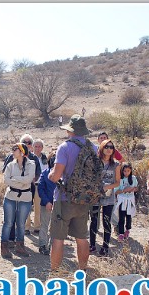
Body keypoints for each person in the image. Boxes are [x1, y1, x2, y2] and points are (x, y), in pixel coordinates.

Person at [48, 114, 97, 273]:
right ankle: (82, 270)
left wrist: (50, 174)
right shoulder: (93, 147)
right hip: (84, 199)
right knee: (82, 238)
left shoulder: (65, 147)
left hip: (64, 199)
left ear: (71, 130)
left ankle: (55, 274)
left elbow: (56, 176)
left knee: (58, 238)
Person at [0, 143, 35, 259]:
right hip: (10, 196)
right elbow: (6, 180)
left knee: (21, 224)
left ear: (21, 152)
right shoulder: (10, 165)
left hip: (25, 197)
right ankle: (4, 247)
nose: (13, 151)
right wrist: (21, 181)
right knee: (8, 223)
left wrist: (15, 179)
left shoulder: (31, 164)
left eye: (15, 149)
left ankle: (20, 246)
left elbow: (29, 179)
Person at [90, 139, 120, 256]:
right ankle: (92, 245)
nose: (109, 149)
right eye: (106, 147)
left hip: (109, 196)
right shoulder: (95, 163)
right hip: (95, 196)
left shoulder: (116, 165)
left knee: (106, 221)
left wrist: (108, 186)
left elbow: (118, 182)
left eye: (111, 147)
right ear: (102, 148)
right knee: (94, 220)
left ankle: (105, 246)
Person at [37, 151, 56, 256]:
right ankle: (43, 245)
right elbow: (40, 189)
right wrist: (47, 202)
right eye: (53, 159)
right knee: (44, 225)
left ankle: (53, 246)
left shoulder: (64, 175)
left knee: (55, 227)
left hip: (59, 205)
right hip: (46, 204)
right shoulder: (44, 173)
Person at [114, 162, 138, 242]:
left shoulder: (133, 178)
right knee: (121, 217)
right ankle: (121, 233)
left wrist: (133, 189)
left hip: (130, 200)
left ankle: (127, 230)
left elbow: (136, 188)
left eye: (128, 171)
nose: (126, 173)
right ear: (122, 171)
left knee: (128, 216)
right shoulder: (120, 179)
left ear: (131, 170)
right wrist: (124, 190)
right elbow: (116, 191)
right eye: (124, 171)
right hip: (122, 200)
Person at [31, 138, 48, 234]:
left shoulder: (44, 158)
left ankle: (37, 226)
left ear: (42, 147)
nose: (37, 148)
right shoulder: (29, 157)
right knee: (28, 207)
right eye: (35, 146)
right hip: (29, 185)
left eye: (39, 146)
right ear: (32, 147)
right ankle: (26, 226)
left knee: (38, 207)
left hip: (40, 185)